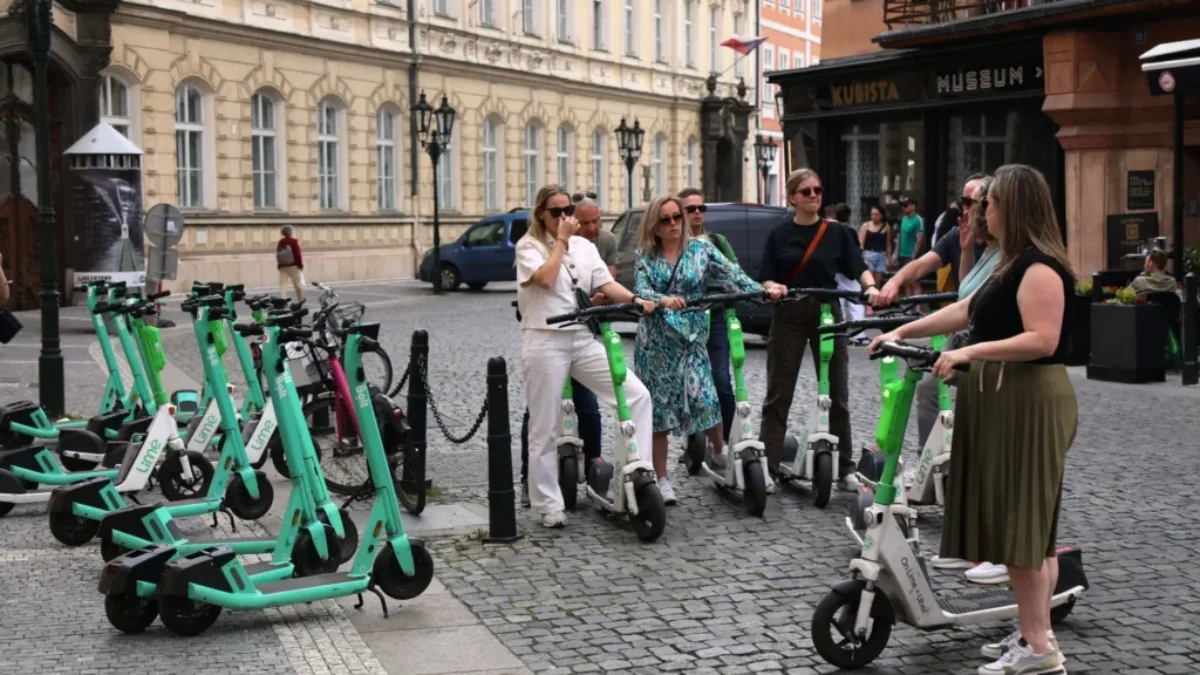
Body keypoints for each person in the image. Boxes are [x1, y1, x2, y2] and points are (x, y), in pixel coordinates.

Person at [870, 164, 1076, 675]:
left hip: (1028, 402)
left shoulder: (1040, 267)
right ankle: (1035, 635)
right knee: (1025, 533)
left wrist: (970, 355)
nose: (984, 212)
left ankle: (1038, 649)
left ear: (1015, 208)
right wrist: (902, 332)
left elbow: (1042, 339)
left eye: (992, 204)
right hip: (1007, 399)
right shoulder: (1011, 263)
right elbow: (963, 311)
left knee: (1025, 531)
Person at [516, 184, 657, 528]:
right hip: (545, 338)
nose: (565, 218)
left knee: (637, 395)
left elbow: (606, 284)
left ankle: (637, 473)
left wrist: (635, 300)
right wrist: (561, 241)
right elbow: (546, 280)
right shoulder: (528, 247)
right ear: (541, 215)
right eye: (556, 212)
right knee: (544, 425)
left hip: (579, 336)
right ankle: (547, 503)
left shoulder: (583, 247)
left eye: (568, 211)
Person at [633, 196, 778, 505]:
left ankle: (720, 450)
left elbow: (733, 276)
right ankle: (661, 478)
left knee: (707, 397)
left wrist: (764, 291)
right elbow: (641, 289)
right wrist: (661, 300)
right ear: (654, 226)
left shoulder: (702, 249)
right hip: (657, 344)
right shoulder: (645, 256)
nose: (673, 224)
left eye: (676, 217)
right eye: (665, 220)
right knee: (659, 413)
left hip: (692, 339)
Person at [758, 168, 879, 485]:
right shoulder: (779, 235)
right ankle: (768, 467)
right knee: (779, 393)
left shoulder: (837, 233)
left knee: (838, 394)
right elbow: (767, 274)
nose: (814, 196)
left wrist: (872, 287)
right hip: (789, 313)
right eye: (807, 191)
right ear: (792, 197)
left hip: (828, 311)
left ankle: (844, 467)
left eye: (818, 190)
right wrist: (772, 287)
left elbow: (858, 268)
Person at [829, 203, 866, 337]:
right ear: (849, 216)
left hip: (834, 272)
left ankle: (839, 333)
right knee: (855, 303)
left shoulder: (830, 230)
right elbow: (856, 251)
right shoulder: (849, 231)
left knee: (838, 303)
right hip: (849, 272)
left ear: (835, 215)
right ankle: (859, 335)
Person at [574, 191, 618, 278]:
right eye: (585, 223)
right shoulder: (564, 241)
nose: (591, 228)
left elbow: (609, 279)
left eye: (595, 221)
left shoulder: (608, 240)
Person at [895, 197, 925, 275]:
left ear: (913, 206)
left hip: (910, 255)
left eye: (905, 206)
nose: (903, 208)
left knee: (912, 281)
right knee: (904, 281)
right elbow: (900, 237)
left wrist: (914, 256)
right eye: (902, 206)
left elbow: (920, 239)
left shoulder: (918, 220)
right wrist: (895, 254)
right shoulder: (903, 219)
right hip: (901, 254)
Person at [858, 206, 892, 275]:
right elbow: (861, 244)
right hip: (869, 255)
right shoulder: (866, 226)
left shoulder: (887, 227)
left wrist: (889, 259)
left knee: (878, 282)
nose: (874, 216)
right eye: (872, 214)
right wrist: (863, 258)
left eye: (876, 214)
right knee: (870, 280)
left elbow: (888, 244)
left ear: (881, 216)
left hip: (881, 255)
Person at [276, 225, 305, 302]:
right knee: (297, 284)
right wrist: (300, 265)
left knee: (282, 284)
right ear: (291, 232)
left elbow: (278, 253)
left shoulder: (281, 242)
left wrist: (279, 264)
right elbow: (297, 254)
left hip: (283, 266)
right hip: (293, 265)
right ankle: (301, 299)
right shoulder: (293, 241)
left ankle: (282, 298)